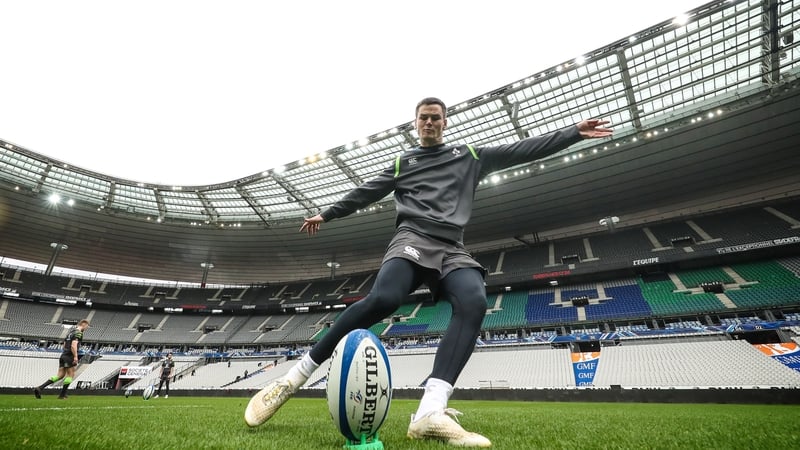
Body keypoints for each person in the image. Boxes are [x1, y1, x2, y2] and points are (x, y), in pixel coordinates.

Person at [244, 97, 612, 446]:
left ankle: (429, 412)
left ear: (444, 122)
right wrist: (328, 214)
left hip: (451, 247)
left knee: (473, 301)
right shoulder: (405, 162)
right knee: (385, 299)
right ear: (416, 124)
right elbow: (367, 191)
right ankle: (292, 380)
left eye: (436, 117)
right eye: (424, 117)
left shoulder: (469, 155)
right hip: (412, 237)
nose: (430, 122)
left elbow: (522, 149)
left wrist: (573, 132)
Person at [34, 319, 90, 400]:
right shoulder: (79, 333)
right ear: (84, 324)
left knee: (60, 375)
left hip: (63, 355)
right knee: (71, 374)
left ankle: (40, 388)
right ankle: (62, 395)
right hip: (70, 356)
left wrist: (66, 352)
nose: (86, 328)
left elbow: (64, 345)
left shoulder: (70, 332)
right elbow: (73, 345)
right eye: (87, 327)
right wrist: (75, 356)